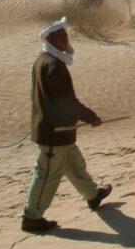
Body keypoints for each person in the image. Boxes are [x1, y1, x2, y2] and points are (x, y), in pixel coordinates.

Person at [21, 17, 112, 233]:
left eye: (64, 35)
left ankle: (92, 195)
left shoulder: (43, 60)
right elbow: (68, 102)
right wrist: (91, 117)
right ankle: (31, 217)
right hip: (53, 132)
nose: (63, 40)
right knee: (47, 175)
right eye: (58, 37)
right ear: (50, 40)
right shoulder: (53, 66)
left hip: (61, 131)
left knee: (73, 163)